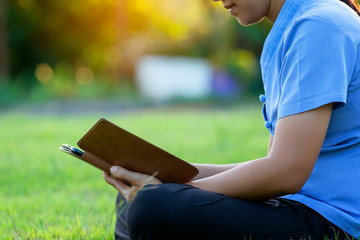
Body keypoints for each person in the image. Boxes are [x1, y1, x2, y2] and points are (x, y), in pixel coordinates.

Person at [103, 0, 360, 239]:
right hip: (301, 205)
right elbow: (274, 164)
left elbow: (286, 172)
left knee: (152, 204)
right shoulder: (296, 27)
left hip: (336, 223)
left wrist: (181, 190)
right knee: (140, 196)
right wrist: (169, 174)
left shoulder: (318, 26)